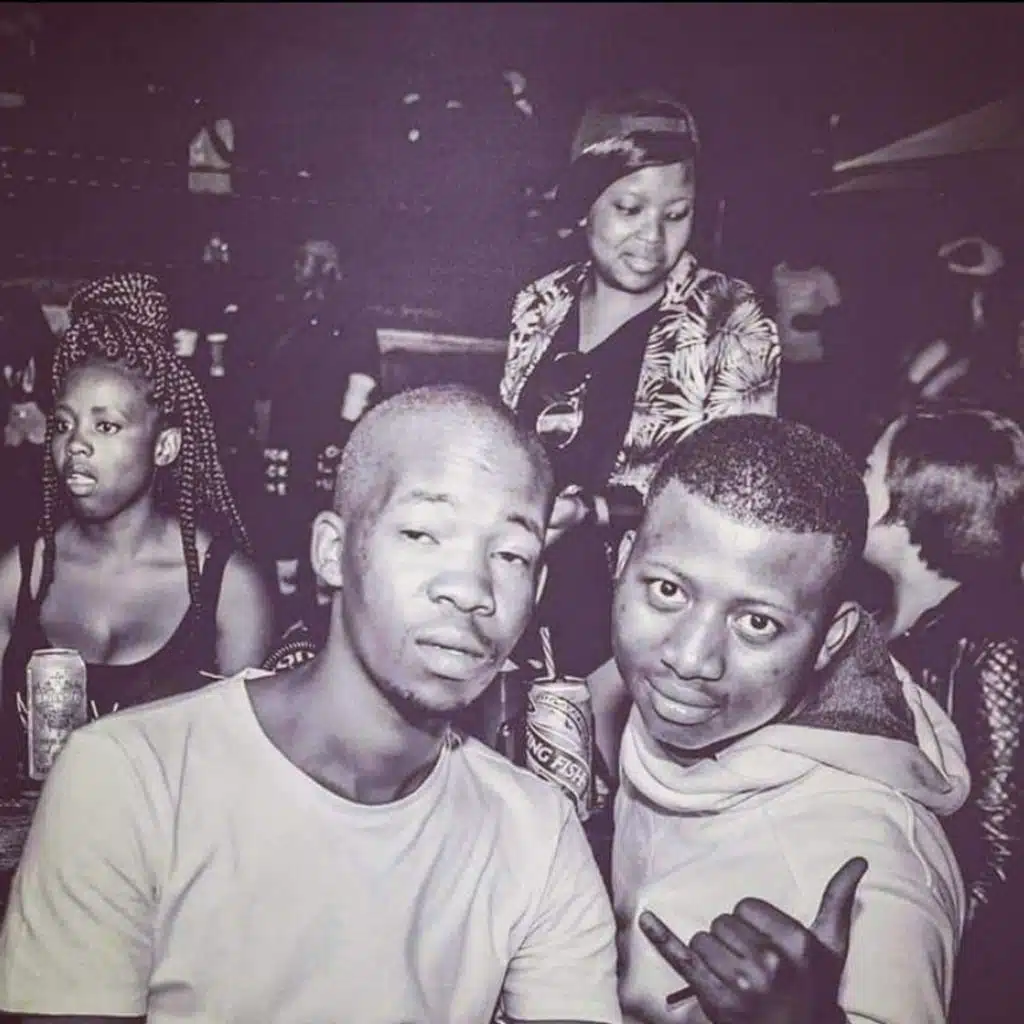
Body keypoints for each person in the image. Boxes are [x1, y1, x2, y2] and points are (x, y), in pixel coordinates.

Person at [0, 384, 621, 1024]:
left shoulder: (538, 833)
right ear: (331, 553)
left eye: (511, 555)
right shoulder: (129, 779)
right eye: (421, 533)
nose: (470, 589)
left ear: (537, 588)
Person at [606, 415, 966, 1023]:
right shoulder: (697, 714)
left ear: (833, 639)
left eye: (757, 623)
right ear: (622, 563)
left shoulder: (878, 869)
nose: (690, 659)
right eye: (668, 591)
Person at [500, 88, 779, 682]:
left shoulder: (729, 317)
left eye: (675, 215)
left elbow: (739, 496)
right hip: (517, 600)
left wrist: (594, 511)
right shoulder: (539, 302)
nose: (653, 238)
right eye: (629, 209)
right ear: (583, 205)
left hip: (643, 631)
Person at [0, 272, 274, 784]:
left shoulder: (229, 590)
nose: (75, 445)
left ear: (165, 446)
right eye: (63, 424)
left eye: (105, 426)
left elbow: (244, 782)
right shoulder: (20, 576)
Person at [862, 404, 1024, 1022]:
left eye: (870, 468)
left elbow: (1003, 860)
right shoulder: (876, 620)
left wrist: (916, 957)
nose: (855, 478)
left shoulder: (995, 644)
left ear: (920, 496)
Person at [244, 238, 382, 622]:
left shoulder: (351, 314)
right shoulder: (286, 310)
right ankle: (286, 605)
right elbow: (265, 375)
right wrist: (263, 427)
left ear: (326, 266)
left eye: (304, 261)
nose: (296, 268)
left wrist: (344, 431)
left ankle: (324, 609)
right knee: (282, 511)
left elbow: (362, 376)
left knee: (325, 509)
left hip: (327, 432)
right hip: (286, 430)